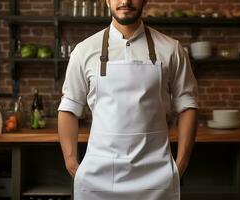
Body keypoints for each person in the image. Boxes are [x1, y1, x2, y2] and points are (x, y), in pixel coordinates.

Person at [58, 0, 198, 199]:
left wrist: (181, 164)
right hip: (99, 177)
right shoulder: (84, 51)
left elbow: (188, 105)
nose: (125, 1)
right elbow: (69, 108)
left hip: (156, 175)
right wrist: (71, 162)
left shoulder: (171, 49)